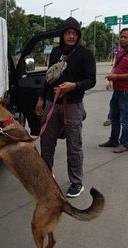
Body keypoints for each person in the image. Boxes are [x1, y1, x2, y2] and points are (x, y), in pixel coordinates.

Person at [35, 17, 96, 198]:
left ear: (78, 35)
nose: (71, 36)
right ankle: (47, 176)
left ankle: (76, 183)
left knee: (74, 145)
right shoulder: (55, 52)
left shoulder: (85, 54)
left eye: (74, 33)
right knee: (46, 142)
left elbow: (91, 80)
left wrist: (74, 86)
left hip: (73, 105)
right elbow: (49, 78)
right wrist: (40, 98)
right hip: (51, 104)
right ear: (63, 35)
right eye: (68, 33)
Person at [99, 28, 128, 153]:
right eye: (121, 37)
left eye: (125, 37)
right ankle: (113, 140)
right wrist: (111, 80)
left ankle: (124, 144)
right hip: (117, 90)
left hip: (127, 92)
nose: (122, 39)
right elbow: (115, 67)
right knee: (114, 117)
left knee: (125, 119)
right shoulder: (120, 52)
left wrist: (116, 77)